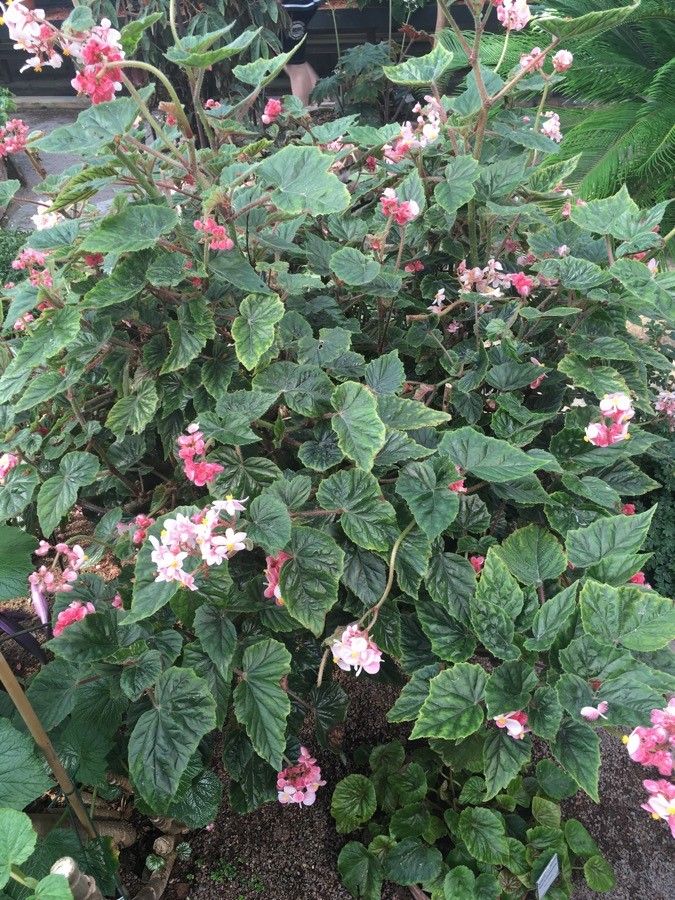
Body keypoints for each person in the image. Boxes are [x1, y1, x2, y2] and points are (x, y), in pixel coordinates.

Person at [280, 0, 322, 104]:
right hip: (296, 6)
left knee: (294, 63)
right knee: (289, 57)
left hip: (292, 6)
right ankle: (321, 97)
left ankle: (302, 114)